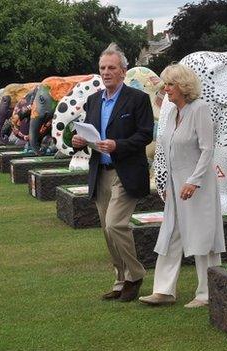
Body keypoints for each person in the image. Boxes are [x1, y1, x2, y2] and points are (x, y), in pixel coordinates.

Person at [72, 43, 154, 302]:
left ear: (123, 71)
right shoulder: (93, 100)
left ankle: (136, 275)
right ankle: (120, 280)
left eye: (111, 68)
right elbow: (90, 132)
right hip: (101, 172)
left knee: (115, 224)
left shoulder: (138, 99)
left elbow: (145, 135)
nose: (106, 72)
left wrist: (118, 145)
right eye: (102, 68)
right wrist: (80, 140)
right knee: (107, 231)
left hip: (126, 172)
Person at [139, 64, 225, 308]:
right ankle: (163, 290)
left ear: (184, 86)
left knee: (203, 236)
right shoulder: (171, 113)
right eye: (165, 84)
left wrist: (193, 181)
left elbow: (208, 149)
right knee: (170, 235)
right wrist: (167, 182)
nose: (166, 89)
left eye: (170, 84)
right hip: (177, 186)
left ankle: (207, 293)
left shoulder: (200, 109)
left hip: (198, 185)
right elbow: (166, 150)